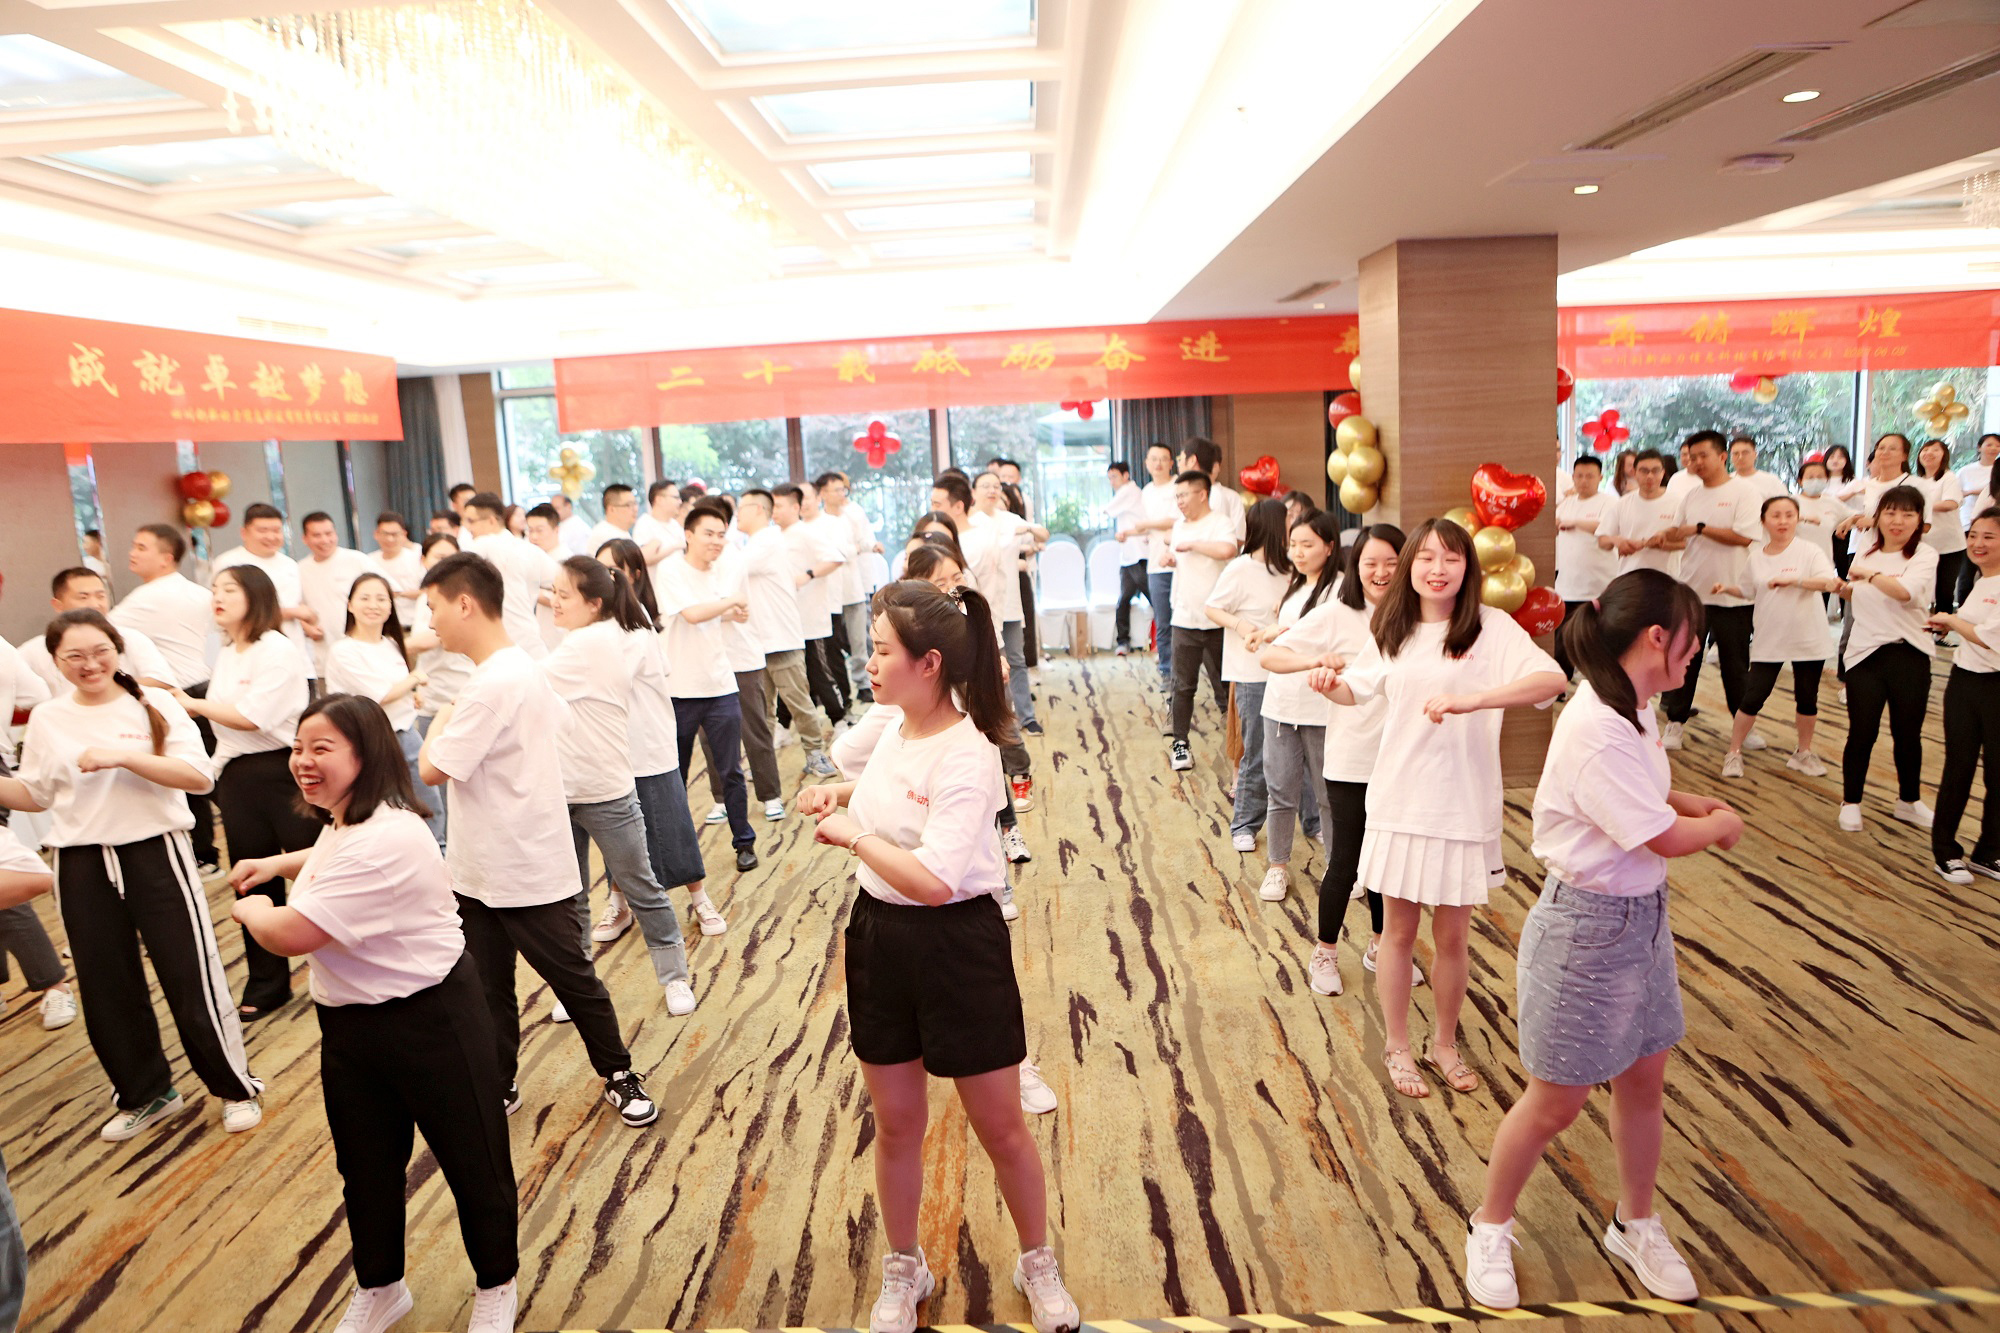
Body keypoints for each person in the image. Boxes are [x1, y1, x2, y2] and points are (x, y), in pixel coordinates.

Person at [798, 580, 1080, 1333]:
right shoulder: (897, 728)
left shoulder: (972, 751)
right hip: (879, 939)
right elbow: (891, 789)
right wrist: (842, 794)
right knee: (896, 1123)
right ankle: (905, 1264)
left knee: (1000, 1127)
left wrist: (855, 836)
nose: (868, 663)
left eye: (880, 651)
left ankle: (1036, 1259)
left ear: (928, 664)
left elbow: (932, 880)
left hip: (958, 943)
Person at [1461, 569, 1741, 1311]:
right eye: (1692, 639)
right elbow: (1661, 836)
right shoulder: (1596, 725)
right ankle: (1489, 1224)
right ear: (1658, 637)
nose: (1696, 652)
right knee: (1555, 1101)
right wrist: (1718, 824)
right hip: (1586, 930)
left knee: (1644, 1081)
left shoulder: (1633, 703)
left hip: (1642, 918)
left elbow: (1643, 797)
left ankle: (1634, 1223)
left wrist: (1683, 796)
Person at [229, 695, 519, 1333]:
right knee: (366, 1169)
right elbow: (329, 857)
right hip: (350, 1025)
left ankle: (497, 1282)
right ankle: (382, 1286)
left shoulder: (387, 837)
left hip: (432, 1019)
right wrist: (278, 863)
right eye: (298, 747)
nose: (303, 761)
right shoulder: (347, 821)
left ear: (367, 755)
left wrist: (252, 909)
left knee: (474, 1160)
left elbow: (289, 934)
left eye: (321, 748)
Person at [1309, 520, 1565, 1098]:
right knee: (1397, 934)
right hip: (1400, 799)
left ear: (1467, 567)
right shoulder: (1392, 628)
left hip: (1463, 803)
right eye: (1425, 557)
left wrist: (1475, 699)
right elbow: (1357, 688)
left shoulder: (1490, 627)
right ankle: (1398, 1045)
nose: (1437, 569)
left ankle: (1444, 1043)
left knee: (1452, 938)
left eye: (1451, 558)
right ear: (1410, 567)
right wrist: (1329, 683)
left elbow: (1550, 680)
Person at [415, 552, 661, 1124]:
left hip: (523, 864)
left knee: (573, 981)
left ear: (464, 604)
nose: (429, 621)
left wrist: (442, 718)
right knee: (488, 985)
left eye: (433, 607)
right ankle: (499, 1081)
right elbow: (561, 723)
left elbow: (431, 770)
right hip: (479, 866)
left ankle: (618, 1073)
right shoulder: (519, 667)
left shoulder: (491, 684)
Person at [0, 610, 264, 1139]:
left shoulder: (154, 703)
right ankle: (146, 1093)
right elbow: (36, 794)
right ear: (55, 662)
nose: (89, 664)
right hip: (80, 861)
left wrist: (122, 757)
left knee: (190, 975)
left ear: (117, 650)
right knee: (105, 986)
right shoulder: (50, 717)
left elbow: (197, 778)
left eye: (100, 651)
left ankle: (235, 1088)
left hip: (155, 852)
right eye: (74, 656)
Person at [1263, 525, 1408, 986]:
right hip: (1351, 757)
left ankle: (1380, 944)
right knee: (1346, 859)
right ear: (1354, 566)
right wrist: (1317, 660)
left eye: (1392, 562)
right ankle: (1324, 952)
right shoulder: (1336, 614)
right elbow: (1271, 656)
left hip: (1402, 759)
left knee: (1388, 862)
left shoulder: (1416, 617)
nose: (1381, 572)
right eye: (1371, 563)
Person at [175, 564, 317, 1018]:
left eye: (229, 589)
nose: (217, 596)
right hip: (237, 776)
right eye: (215, 589)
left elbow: (254, 717)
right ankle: (268, 982)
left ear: (255, 597)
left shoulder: (277, 648)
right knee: (251, 879)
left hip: (283, 772)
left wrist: (193, 704)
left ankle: (345, 961)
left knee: (316, 871)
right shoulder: (229, 651)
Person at [586, 539, 728, 944]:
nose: (604, 579)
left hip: (648, 743)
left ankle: (700, 898)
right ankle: (619, 903)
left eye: (612, 570)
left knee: (671, 824)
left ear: (633, 575)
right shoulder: (591, 629)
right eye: (598, 570)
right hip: (610, 746)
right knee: (617, 830)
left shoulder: (637, 622)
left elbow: (611, 679)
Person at [112, 523, 223, 870]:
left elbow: (98, 633)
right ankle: (209, 856)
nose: (132, 553)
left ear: (166, 558)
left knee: (191, 775)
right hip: (206, 688)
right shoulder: (198, 592)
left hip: (178, 696)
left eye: (141, 547)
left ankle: (205, 856)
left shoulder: (146, 598)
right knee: (207, 775)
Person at [655, 509, 761, 872]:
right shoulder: (671, 569)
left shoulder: (722, 570)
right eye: (709, 533)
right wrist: (731, 603)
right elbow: (692, 614)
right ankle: (676, 852)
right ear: (688, 534)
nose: (717, 541)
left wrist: (732, 613)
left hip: (720, 685)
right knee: (676, 776)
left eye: (721, 534)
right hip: (680, 690)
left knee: (731, 770)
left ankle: (744, 842)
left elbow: (713, 613)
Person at [1247, 513, 1345, 905]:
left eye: (1307, 544)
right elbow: (1293, 635)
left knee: (1328, 794)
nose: (1298, 553)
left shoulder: (1341, 590)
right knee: (1281, 790)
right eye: (1293, 545)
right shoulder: (1295, 585)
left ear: (1330, 547)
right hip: (1281, 703)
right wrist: (1270, 631)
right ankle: (1277, 866)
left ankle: (1339, 865)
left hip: (1322, 705)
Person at [1713, 496, 1840, 780]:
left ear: (1797, 518)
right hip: (1770, 637)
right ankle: (1734, 751)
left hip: (1808, 636)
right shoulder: (1756, 557)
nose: (1783, 521)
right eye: (1776, 516)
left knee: (1807, 697)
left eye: (1789, 515)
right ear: (1764, 521)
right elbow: (1748, 590)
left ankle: (1803, 752)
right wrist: (1726, 588)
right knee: (1753, 696)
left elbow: (1828, 583)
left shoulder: (1809, 551)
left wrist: (1795, 581)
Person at [1837, 485, 1938, 835]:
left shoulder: (1925, 555)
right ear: (1878, 517)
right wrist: (1842, 588)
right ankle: (1851, 802)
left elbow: (1906, 593)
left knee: (1907, 733)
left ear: (1919, 521)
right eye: (1890, 513)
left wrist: (1870, 576)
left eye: (1908, 514)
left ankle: (1908, 801)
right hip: (1865, 653)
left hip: (1910, 652)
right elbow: (1857, 594)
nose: (1898, 521)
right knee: (1861, 731)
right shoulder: (1866, 549)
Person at [1658, 432, 1760, 751]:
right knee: (1684, 660)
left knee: (1735, 666)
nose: (1697, 462)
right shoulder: (1691, 495)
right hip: (1692, 592)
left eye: (1704, 455)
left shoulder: (1744, 492)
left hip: (1733, 594)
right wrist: (1663, 535)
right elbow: (1680, 533)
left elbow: (1744, 537)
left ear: (1722, 457)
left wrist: (1700, 529)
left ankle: (1743, 727)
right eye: (1692, 457)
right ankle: (1675, 722)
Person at [1202, 499, 1292, 852]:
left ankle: (1311, 820)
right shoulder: (1241, 568)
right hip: (1252, 673)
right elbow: (1212, 607)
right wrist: (1241, 625)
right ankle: (1244, 823)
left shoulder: (1292, 568)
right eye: (1289, 523)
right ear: (1275, 527)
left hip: (1291, 669)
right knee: (1256, 749)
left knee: (1297, 750)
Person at [323, 573, 435, 840]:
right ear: (350, 605)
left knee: (429, 808)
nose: (373, 605)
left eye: (381, 599)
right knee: (384, 818)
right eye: (365, 598)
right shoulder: (344, 650)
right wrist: (415, 678)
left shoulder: (391, 645)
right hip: (369, 744)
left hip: (407, 735)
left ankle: (437, 856)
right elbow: (379, 695)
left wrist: (411, 695)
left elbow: (394, 688)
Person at [738, 489, 836, 780]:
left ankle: (815, 754)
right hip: (758, 640)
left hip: (780, 637)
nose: (737, 515)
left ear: (758, 510)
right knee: (762, 709)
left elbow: (734, 569)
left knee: (798, 701)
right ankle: (763, 763)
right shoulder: (755, 543)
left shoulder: (767, 540)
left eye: (742, 508)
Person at [1927, 506, 2000, 884]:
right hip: (1964, 683)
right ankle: (1945, 852)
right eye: (1973, 535)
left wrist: (1951, 620)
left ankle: (1989, 852)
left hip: (1994, 686)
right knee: (1959, 767)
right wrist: (1948, 627)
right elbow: (1975, 632)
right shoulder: (1979, 578)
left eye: (1989, 536)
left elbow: (1991, 639)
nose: (1977, 543)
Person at [1164, 470, 1241, 771]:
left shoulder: (1220, 523)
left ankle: (1239, 745)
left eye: (1183, 495)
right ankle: (1180, 743)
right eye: (1177, 496)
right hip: (1184, 618)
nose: (1179, 501)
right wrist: (1171, 559)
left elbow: (1228, 550)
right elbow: (1178, 558)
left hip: (1218, 620)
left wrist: (1193, 545)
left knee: (1227, 686)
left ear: (1202, 494)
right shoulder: (1178, 526)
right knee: (1183, 686)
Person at [965, 473, 1047, 735]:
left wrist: (1029, 529)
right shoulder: (969, 523)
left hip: (1010, 603)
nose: (992, 490)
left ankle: (1026, 717)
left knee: (1017, 660)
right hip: (982, 605)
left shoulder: (1010, 519)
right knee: (987, 665)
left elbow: (1043, 535)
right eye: (985, 486)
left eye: (996, 486)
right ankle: (996, 720)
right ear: (973, 492)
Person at [406, 533, 471, 842]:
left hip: (460, 699)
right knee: (437, 791)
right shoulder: (425, 599)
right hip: (432, 702)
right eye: (438, 557)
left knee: (459, 784)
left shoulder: (462, 598)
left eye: (451, 557)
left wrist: (395, 644)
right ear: (423, 560)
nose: (445, 563)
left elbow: (430, 638)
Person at [19, 567, 172, 695]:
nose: (95, 604)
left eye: (100, 596)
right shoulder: (33, 650)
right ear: (58, 605)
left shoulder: (132, 638)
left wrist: (105, 692)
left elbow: (162, 680)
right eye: (83, 597)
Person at [774, 483, 850, 730]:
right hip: (786, 620)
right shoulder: (774, 536)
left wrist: (807, 575)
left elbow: (835, 558)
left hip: (811, 619)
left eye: (779, 505)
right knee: (788, 675)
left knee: (819, 673)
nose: (774, 511)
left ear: (795, 507)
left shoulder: (806, 532)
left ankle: (839, 720)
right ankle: (783, 725)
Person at [211, 503, 318, 674]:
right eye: (263, 530)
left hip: (296, 657)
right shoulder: (230, 563)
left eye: (276, 530)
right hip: (249, 660)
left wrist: (308, 622)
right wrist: (294, 612)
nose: (271, 536)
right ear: (244, 533)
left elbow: (296, 604)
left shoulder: (289, 564)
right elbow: (234, 610)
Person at [461, 492, 556, 659]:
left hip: (500, 643)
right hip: (530, 640)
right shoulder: (529, 549)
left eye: (471, 521)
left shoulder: (482, 544)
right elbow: (562, 581)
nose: (468, 528)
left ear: (491, 520)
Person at [1122, 443, 1182, 686]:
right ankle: (1167, 672)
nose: (1158, 463)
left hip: (1180, 564)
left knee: (1183, 622)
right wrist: (1129, 533)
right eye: (1153, 459)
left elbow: (1175, 520)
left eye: (1163, 459)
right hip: (1156, 565)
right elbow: (1148, 528)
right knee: (1163, 620)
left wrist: (1146, 525)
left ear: (1171, 463)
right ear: (1146, 463)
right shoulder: (1146, 491)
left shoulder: (1179, 486)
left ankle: (1183, 672)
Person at [1553, 455, 1618, 679]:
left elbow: (1608, 528)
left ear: (1600, 477)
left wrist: (1576, 523)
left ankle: (1599, 681)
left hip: (1599, 585)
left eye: (1589, 476)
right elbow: (1553, 524)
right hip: (1568, 585)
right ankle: (1560, 683)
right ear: (1572, 477)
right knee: (1563, 637)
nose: (1584, 481)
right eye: (1579, 476)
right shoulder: (1566, 504)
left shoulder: (1609, 503)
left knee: (1599, 638)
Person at [819, 473, 881, 702]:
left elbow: (862, 541)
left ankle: (864, 684)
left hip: (854, 587)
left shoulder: (851, 515)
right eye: (835, 490)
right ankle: (838, 687)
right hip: (829, 592)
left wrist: (868, 546)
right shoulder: (819, 522)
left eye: (842, 489)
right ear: (823, 493)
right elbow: (835, 552)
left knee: (860, 640)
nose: (841, 494)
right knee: (834, 643)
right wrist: (854, 549)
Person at [297, 512, 372, 675]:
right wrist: (307, 627)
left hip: (363, 652)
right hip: (324, 657)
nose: (324, 540)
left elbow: (386, 594)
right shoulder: (299, 569)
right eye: (317, 535)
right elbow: (296, 608)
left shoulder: (357, 560)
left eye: (329, 533)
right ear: (305, 539)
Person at [1595, 449, 1683, 579]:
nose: (1650, 476)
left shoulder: (1678, 503)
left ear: (1663, 473)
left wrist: (1662, 544)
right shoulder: (1623, 503)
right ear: (1635, 472)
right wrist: (1617, 541)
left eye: (1655, 471)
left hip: (1667, 579)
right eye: (1644, 471)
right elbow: (1602, 540)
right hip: (1629, 578)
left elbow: (1688, 542)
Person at [1913, 439, 1967, 614]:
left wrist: (1920, 507)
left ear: (1944, 456)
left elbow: (1951, 503)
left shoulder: (1948, 477)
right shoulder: (1916, 481)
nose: (1929, 453)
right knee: (1920, 587)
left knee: (1944, 591)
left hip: (1949, 545)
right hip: (1923, 543)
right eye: (1925, 450)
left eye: (1935, 450)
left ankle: (1941, 627)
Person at [1103, 461, 1150, 656]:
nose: (1112, 482)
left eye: (1114, 477)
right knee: (1123, 600)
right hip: (1129, 556)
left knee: (1154, 599)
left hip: (1139, 555)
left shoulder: (1130, 490)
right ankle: (1123, 641)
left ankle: (1165, 643)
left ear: (1126, 475)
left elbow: (1107, 509)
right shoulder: (1128, 492)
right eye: (1109, 478)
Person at [1955, 435, 2000, 605]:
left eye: (1997, 445)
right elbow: (1974, 513)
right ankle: (1964, 608)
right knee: (1969, 573)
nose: (1994, 448)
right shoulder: (1970, 473)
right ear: (1979, 447)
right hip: (1972, 527)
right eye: (1989, 444)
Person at [367, 510, 425, 627]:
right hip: (382, 626)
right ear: (376, 534)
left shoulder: (416, 559)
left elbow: (428, 592)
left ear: (404, 534)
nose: (390, 539)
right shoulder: (369, 561)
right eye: (385, 534)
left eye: (394, 534)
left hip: (412, 624)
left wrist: (400, 594)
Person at [1179, 437, 1245, 541]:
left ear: (1192, 460)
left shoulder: (1215, 496)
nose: (1179, 465)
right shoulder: (1182, 492)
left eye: (1180, 459)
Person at [1727, 435, 1787, 503]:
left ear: (1755, 454)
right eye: (1735, 454)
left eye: (1745, 453)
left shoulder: (1772, 481)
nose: (1740, 457)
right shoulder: (1725, 482)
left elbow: (1786, 505)